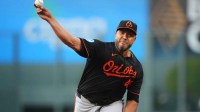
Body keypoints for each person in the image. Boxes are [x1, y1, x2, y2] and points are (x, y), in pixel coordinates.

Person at [35, 6, 143, 112]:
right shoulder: (100, 48)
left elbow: (133, 100)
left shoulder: (136, 67)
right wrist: (50, 19)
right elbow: (71, 41)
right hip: (85, 102)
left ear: (134, 39)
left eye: (129, 35)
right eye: (122, 32)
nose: (124, 37)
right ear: (116, 34)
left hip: (112, 104)